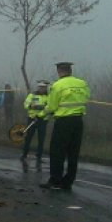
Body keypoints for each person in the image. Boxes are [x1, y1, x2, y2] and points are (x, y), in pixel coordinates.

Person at [40, 62, 90, 191]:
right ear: (70, 71)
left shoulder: (57, 85)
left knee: (57, 151)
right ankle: (68, 181)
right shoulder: (82, 83)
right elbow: (86, 98)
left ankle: (55, 180)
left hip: (63, 122)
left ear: (59, 71)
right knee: (73, 152)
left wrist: (42, 114)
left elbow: (52, 106)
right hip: (78, 121)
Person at [20, 81, 49, 168]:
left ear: (46, 88)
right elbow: (26, 104)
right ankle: (24, 155)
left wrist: (42, 110)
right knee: (28, 137)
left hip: (43, 120)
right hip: (32, 119)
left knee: (41, 139)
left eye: (43, 87)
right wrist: (32, 107)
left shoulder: (49, 96)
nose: (42, 89)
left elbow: (50, 107)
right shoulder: (32, 95)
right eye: (40, 87)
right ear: (38, 87)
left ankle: (39, 157)